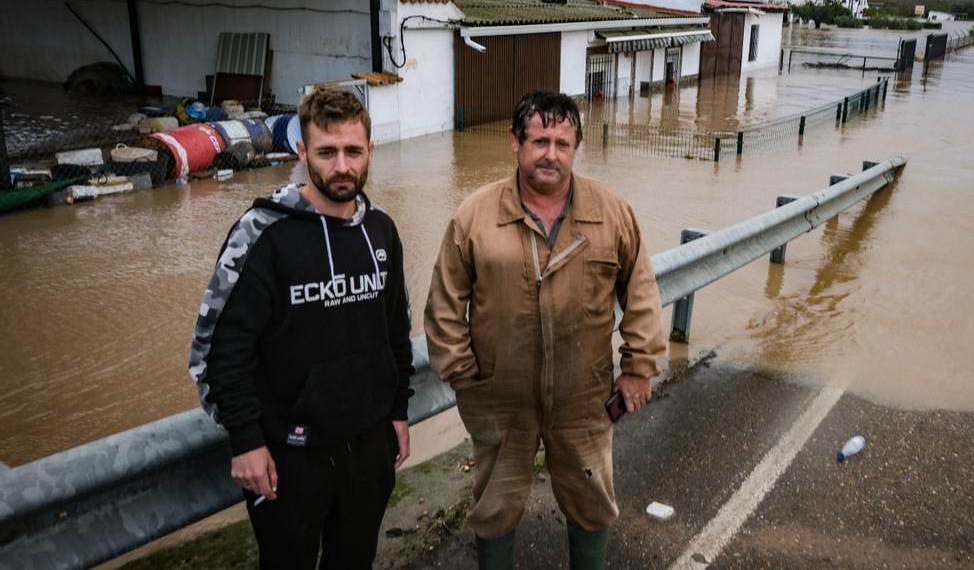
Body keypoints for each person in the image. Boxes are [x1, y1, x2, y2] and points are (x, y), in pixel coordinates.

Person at [424, 89, 666, 569]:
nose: (550, 154)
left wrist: (639, 367)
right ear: (515, 142)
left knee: (592, 505)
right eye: (539, 141)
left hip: (584, 397)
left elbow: (640, 291)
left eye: (562, 143)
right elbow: (444, 303)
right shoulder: (475, 215)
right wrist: (466, 378)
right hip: (500, 399)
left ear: (577, 146)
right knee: (494, 508)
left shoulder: (611, 211)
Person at [188, 88, 415, 569]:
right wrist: (246, 440)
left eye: (353, 152)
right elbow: (220, 350)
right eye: (327, 152)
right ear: (301, 152)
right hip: (288, 457)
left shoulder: (382, 231)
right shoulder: (262, 234)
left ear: (370, 151)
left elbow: (397, 332)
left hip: (369, 448)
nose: (341, 167)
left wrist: (398, 410)